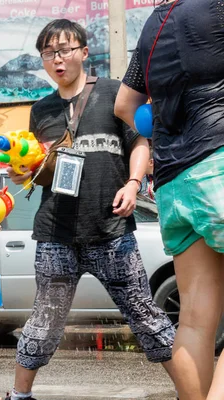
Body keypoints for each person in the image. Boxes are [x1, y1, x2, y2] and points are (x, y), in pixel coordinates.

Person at [5, 20, 176, 400]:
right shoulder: (42, 110)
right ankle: (19, 395)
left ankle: (193, 391)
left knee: (146, 317)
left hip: (112, 230)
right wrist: (23, 174)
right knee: (45, 321)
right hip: (55, 234)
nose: (57, 59)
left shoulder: (115, 93)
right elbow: (40, 170)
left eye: (65, 50)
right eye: (49, 53)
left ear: (84, 51)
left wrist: (133, 184)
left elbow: (140, 142)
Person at [114, 1, 224, 398]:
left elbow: (125, 105)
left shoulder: (154, 23)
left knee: (194, 321)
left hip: (174, 182)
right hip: (218, 164)